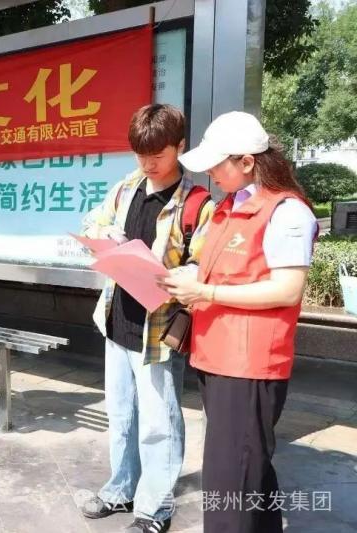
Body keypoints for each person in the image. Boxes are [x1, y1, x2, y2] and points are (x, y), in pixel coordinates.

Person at [160, 112, 318, 533]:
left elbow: (287, 289)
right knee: (249, 473)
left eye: (217, 164)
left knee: (230, 480)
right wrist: (188, 278)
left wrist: (205, 292)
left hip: (248, 364)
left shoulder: (286, 212)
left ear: (247, 161)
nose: (210, 172)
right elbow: (221, 270)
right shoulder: (229, 207)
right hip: (218, 355)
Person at [79, 104, 215, 533]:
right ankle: (121, 489)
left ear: (180, 146)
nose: (148, 164)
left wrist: (177, 275)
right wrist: (102, 236)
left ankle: (155, 508)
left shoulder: (197, 204)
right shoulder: (127, 187)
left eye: (157, 155)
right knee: (121, 415)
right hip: (117, 319)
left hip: (158, 330)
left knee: (159, 423)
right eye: (141, 155)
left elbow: (204, 265)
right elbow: (95, 220)